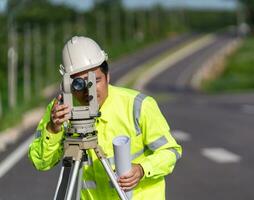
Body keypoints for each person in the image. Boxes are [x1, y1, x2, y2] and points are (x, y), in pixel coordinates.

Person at [28, 36, 182, 200]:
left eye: (96, 80)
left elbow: (170, 151)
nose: (89, 91)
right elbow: (41, 162)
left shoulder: (137, 105)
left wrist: (142, 169)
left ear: (108, 76)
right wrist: (53, 129)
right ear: (67, 83)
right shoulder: (60, 111)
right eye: (79, 84)